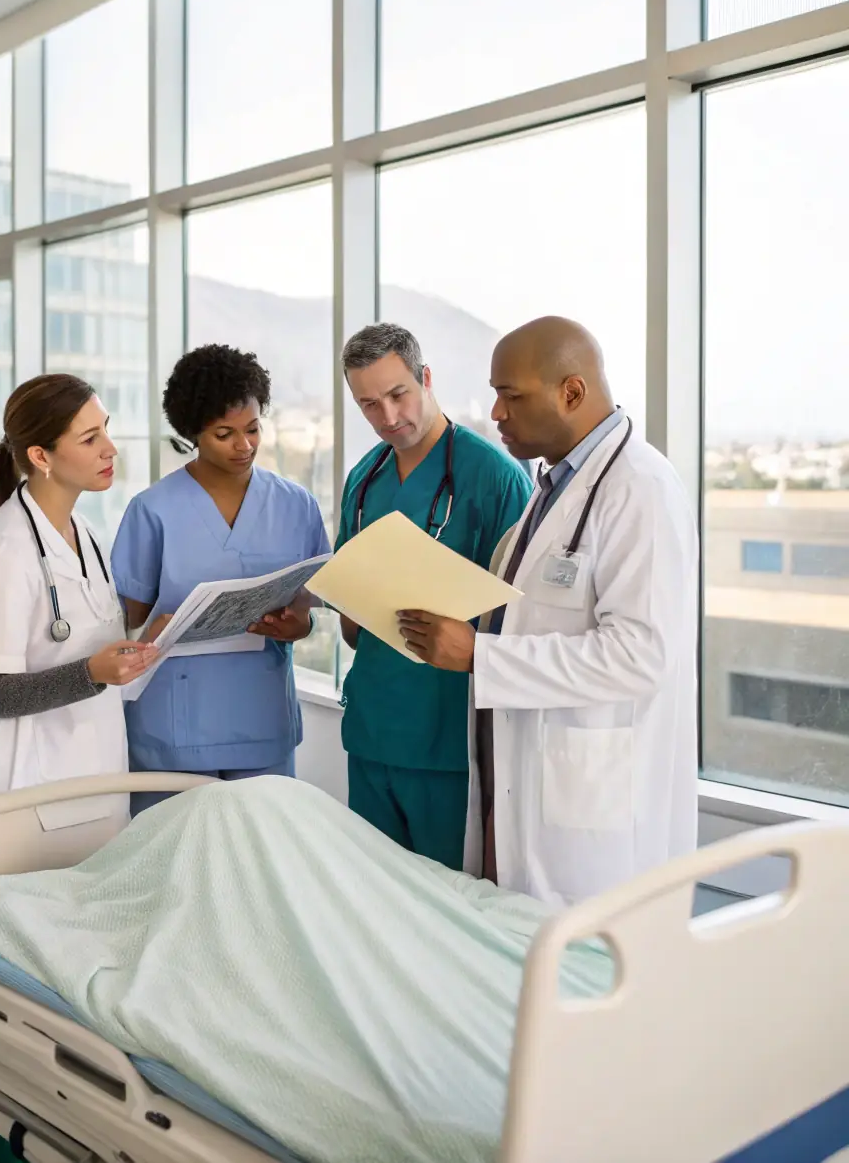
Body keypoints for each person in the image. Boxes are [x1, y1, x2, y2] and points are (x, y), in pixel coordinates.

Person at [397, 317, 699, 908]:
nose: (497, 412)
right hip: (523, 785)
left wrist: (480, 655)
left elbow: (642, 656)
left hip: (591, 812)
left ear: (572, 392)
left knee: (584, 980)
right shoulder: (554, 489)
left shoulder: (641, 488)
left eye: (511, 395)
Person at [0, 373, 158, 1163]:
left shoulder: (85, 535)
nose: (110, 449)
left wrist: (134, 656)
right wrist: (93, 673)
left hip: (92, 788)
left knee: (75, 987)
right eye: (90, 438)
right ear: (39, 453)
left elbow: (90, 658)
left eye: (108, 430)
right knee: (20, 992)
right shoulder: (3, 550)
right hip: (29, 800)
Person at [335, 323, 532, 869]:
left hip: (450, 740)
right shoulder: (364, 478)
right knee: (374, 901)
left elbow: (522, 615)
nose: (389, 418)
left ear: (425, 378)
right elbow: (348, 603)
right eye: (369, 405)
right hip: (374, 728)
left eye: (398, 395)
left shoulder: (494, 476)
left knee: (447, 909)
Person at [111, 344, 330, 813]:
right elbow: (120, 622)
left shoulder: (297, 506)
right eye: (224, 434)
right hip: (173, 725)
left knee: (262, 862)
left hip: (261, 719)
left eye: (253, 429)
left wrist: (300, 627)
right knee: (173, 866)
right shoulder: (153, 511)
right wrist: (152, 632)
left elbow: (309, 604)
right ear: (193, 433)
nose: (244, 446)